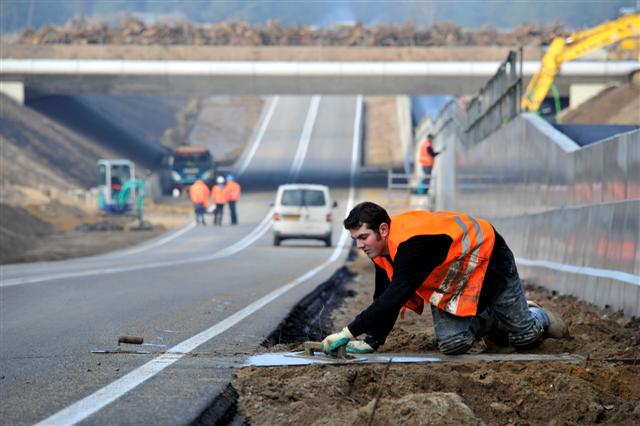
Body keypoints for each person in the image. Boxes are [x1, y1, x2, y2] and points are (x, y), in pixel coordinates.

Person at [320, 202, 567, 356]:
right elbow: (383, 296)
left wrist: (348, 333)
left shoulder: (409, 246)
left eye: (363, 237)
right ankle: (496, 322)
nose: (360, 245)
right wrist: (373, 340)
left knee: (525, 337)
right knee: (452, 345)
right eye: (356, 240)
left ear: (383, 229)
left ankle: (537, 315)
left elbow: (394, 298)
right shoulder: (381, 250)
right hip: (455, 276)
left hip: (489, 259)